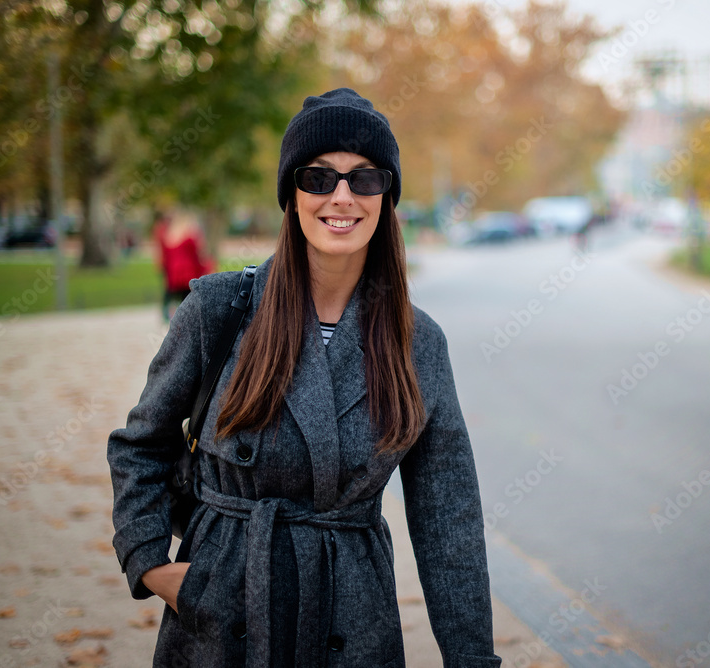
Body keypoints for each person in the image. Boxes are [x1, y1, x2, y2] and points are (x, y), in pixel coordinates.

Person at [107, 88, 501, 667]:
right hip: (222, 613)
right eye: (319, 177)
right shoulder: (218, 312)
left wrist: (472, 660)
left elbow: (449, 521)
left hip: (353, 620)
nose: (341, 197)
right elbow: (140, 446)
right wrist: (153, 566)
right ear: (291, 195)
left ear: (387, 197)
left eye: (364, 179)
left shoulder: (418, 344)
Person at [158, 209, 214, 322]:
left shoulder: (169, 237)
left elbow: (166, 257)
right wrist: (206, 266)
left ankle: (170, 316)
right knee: (188, 296)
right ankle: (186, 318)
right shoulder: (189, 237)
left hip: (174, 271)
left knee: (174, 295)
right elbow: (197, 255)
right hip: (188, 271)